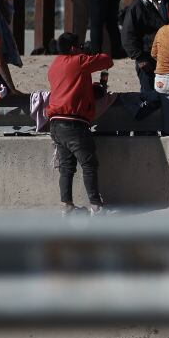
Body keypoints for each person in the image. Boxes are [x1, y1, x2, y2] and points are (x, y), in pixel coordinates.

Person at [47, 32, 114, 215]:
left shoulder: (54, 65)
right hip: (74, 124)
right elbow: (107, 61)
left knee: (66, 168)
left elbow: (69, 87)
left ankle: (66, 206)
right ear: (72, 48)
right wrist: (92, 53)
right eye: (79, 46)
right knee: (89, 164)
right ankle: (97, 207)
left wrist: (90, 90)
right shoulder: (79, 61)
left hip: (55, 124)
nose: (82, 48)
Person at [121, 0, 169, 100]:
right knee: (150, 98)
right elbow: (127, 36)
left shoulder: (166, 2)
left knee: (168, 97)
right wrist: (140, 58)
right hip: (147, 61)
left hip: (166, 58)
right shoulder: (136, 7)